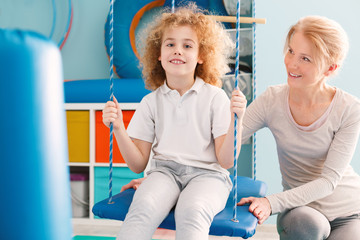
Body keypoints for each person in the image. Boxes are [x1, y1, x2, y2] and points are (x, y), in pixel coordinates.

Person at [123, 15, 360, 239]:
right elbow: (222, 144)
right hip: (303, 211)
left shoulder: (349, 109)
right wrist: (164, 176)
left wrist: (270, 202)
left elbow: (329, 181)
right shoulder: (272, 100)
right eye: (290, 51)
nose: (292, 63)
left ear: (330, 69)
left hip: (349, 211)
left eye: (305, 58)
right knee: (305, 224)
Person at [102, 4, 247, 240]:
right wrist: (118, 128)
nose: (177, 51)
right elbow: (138, 164)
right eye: (170, 44)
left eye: (187, 45)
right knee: (143, 207)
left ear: (202, 56)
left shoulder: (215, 97)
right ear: (158, 54)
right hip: (164, 174)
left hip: (208, 176)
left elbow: (226, 161)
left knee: (192, 211)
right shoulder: (151, 102)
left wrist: (236, 121)